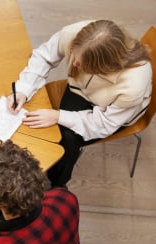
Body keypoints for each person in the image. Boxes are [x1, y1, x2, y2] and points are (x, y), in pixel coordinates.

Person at [8, 20, 152, 187]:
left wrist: (58, 116)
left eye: (83, 64)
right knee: (45, 126)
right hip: (81, 90)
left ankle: (55, 185)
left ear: (104, 67)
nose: (74, 64)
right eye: (74, 54)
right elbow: (44, 57)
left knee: (67, 139)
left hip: (112, 114)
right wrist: (23, 89)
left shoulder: (133, 84)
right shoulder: (76, 33)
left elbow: (104, 123)